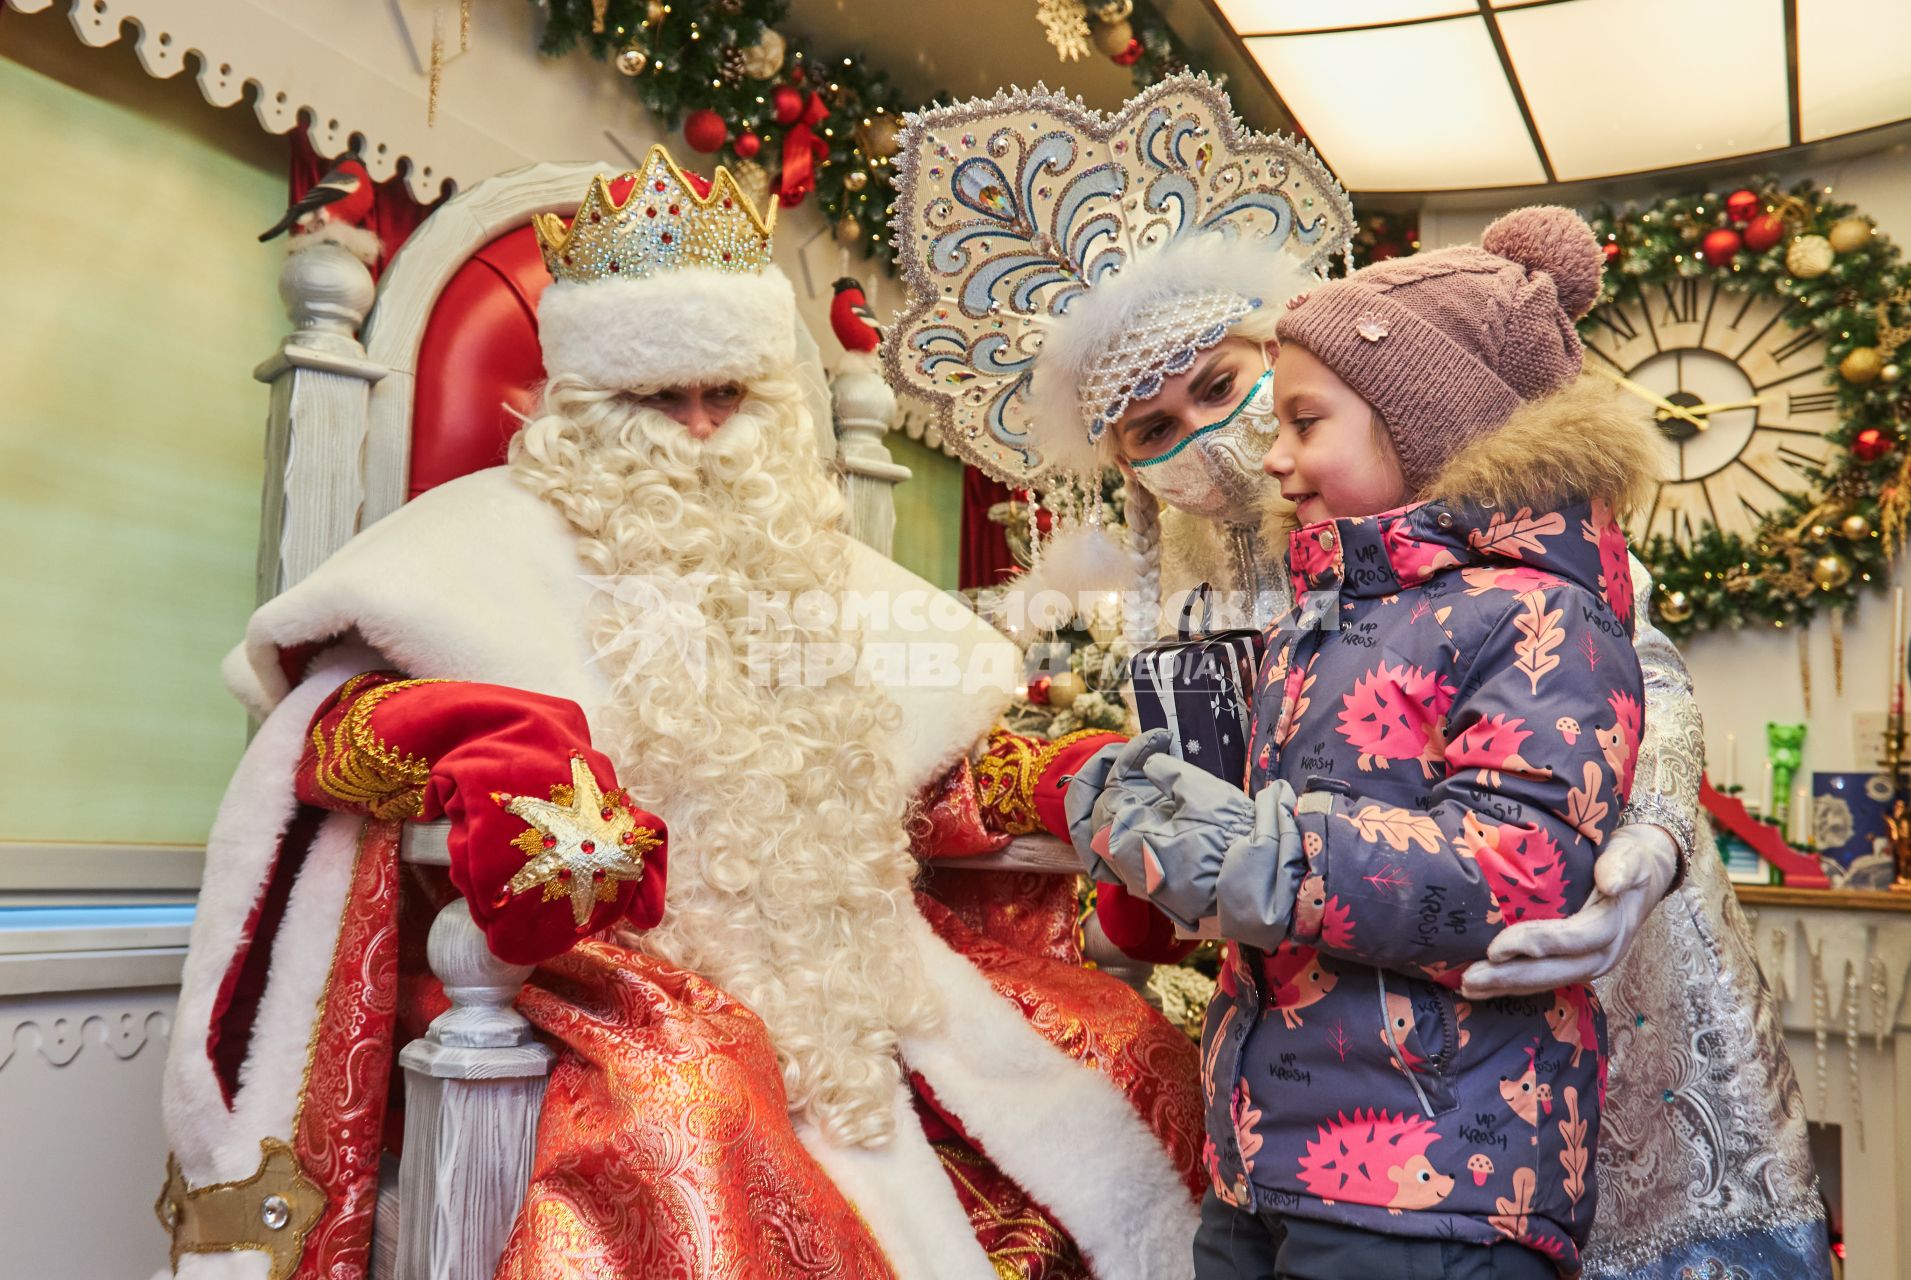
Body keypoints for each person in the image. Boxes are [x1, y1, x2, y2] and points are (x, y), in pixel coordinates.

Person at [157, 145, 1205, 1280]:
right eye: (662, 396)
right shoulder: (476, 542)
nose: (702, 426)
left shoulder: (825, 570)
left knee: (1125, 1039)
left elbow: (920, 771)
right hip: (598, 968)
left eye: (730, 393)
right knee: (690, 1099)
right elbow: (333, 727)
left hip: (856, 983)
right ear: (587, 399)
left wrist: (1051, 777)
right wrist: (479, 746)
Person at [884, 76, 1827, 1279]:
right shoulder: (1194, 588)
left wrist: (1639, 855)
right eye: (1149, 428)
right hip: (1319, 1088)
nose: (1208, 444)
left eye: (1223, 390)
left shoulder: (1482, 532)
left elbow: (1625, 688)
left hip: (1534, 1013)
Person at [1074, 206, 1652, 1276]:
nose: (1270, 453)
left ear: (1417, 417)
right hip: (1270, 1150)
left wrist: (1270, 856)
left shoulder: (1542, 615)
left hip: (1433, 1169)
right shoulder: (1325, 614)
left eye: (1301, 420)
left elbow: (1517, 868)